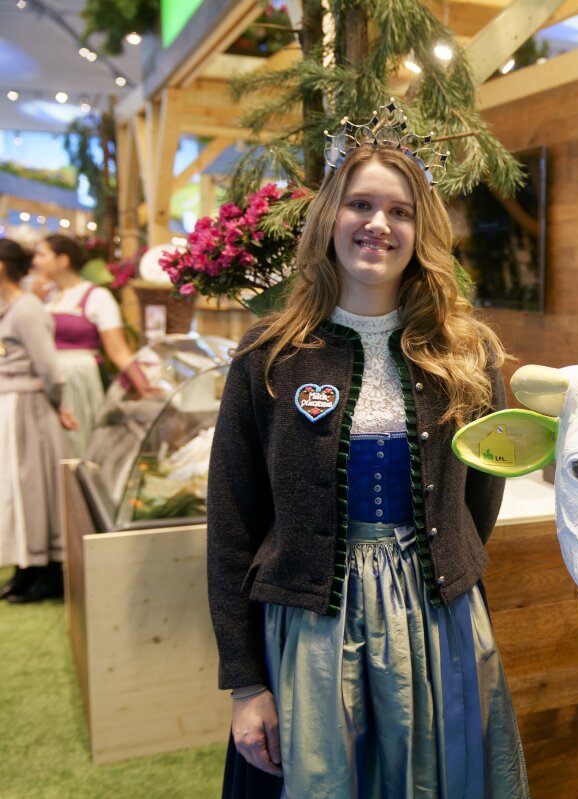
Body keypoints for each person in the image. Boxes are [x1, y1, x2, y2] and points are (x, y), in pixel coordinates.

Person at [207, 135, 530, 797]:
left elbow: (479, 498)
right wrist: (246, 681)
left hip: (437, 619)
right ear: (331, 215)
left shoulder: (467, 354)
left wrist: (440, 568)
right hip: (311, 627)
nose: (378, 224)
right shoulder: (269, 354)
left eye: (400, 210)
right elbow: (232, 519)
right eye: (360, 204)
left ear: (422, 229)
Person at [0, 239, 77, 603]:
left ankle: (45, 572)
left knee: (32, 488)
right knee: (14, 490)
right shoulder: (10, 306)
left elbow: (48, 366)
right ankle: (24, 568)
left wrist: (57, 403)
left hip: (28, 408)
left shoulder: (27, 308)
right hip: (13, 407)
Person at [32, 234, 138, 458]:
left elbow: (117, 349)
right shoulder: (45, 296)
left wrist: (143, 384)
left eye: (42, 254)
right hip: (46, 381)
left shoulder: (97, 296)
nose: (35, 261)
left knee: (78, 446)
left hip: (80, 381)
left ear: (63, 260)